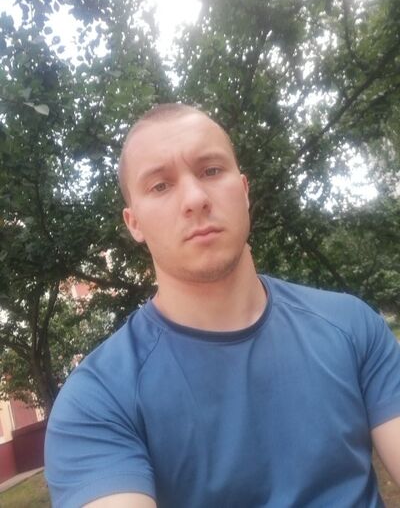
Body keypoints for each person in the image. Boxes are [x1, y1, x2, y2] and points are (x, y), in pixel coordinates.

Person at [45, 103, 400, 508]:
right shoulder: (97, 400)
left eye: (211, 170)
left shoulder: (352, 326)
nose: (195, 198)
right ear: (134, 223)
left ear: (244, 191)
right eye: (160, 186)